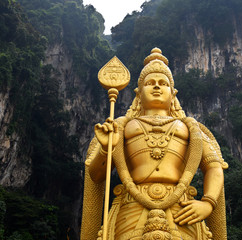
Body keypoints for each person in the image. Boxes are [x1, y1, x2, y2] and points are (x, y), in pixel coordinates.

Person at [81, 48, 228, 240]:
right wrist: (106, 149)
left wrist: (208, 203)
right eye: (150, 83)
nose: (157, 87)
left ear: (173, 93)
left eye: (163, 83)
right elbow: (96, 175)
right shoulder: (119, 127)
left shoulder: (191, 128)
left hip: (181, 208)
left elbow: (214, 166)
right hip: (132, 205)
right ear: (138, 93)